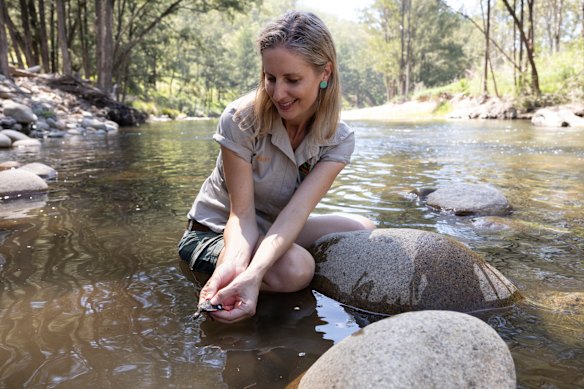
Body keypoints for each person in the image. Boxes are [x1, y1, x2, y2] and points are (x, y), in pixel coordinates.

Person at [178, 10, 375, 324]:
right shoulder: (240, 119)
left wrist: (256, 273)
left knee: (365, 229)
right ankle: (232, 280)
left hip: (272, 226)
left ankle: (256, 275)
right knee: (297, 269)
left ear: (325, 73)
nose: (278, 92)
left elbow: (296, 213)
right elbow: (241, 217)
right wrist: (244, 270)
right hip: (215, 233)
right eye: (271, 78)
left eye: (292, 80)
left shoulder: (338, 140)